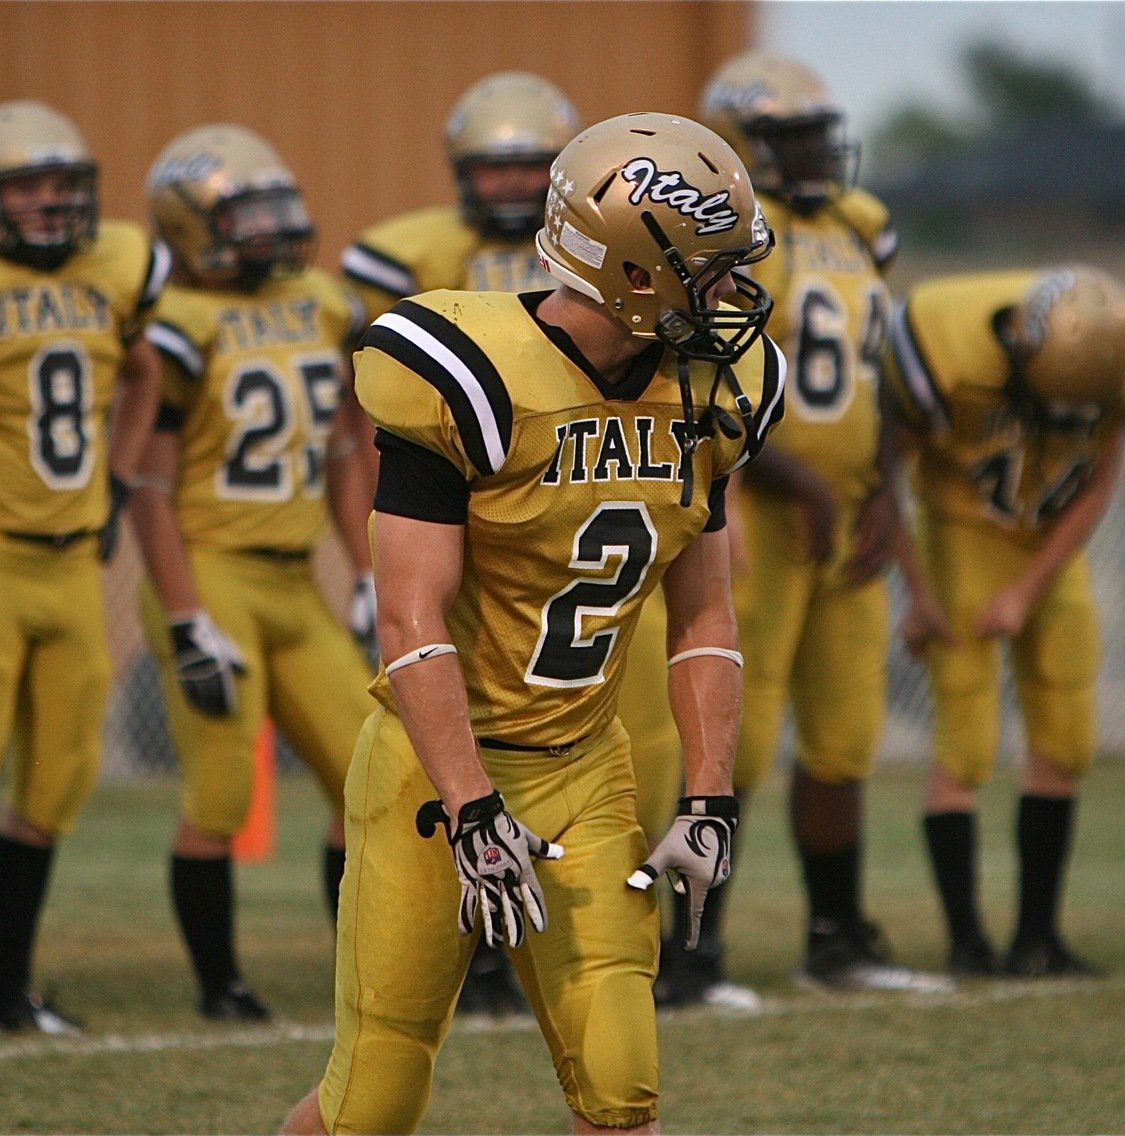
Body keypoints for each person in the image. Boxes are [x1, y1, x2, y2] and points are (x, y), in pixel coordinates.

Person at [281, 111, 785, 1135]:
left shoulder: (709, 390)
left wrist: (709, 794)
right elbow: (411, 617)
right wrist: (472, 809)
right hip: (435, 770)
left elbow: (706, 612)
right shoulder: (467, 371)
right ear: (638, 276)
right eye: (712, 270)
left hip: (583, 766)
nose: (734, 297)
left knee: (621, 1081)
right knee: (374, 1093)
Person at [689, 52, 950, 995]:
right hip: (755, 514)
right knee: (734, 744)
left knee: (843, 738)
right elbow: (705, 383)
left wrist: (883, 490)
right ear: (743, 145)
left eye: (817, 134)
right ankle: (694, 952)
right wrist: (794, 479)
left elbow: (872, 379)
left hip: (844, 518)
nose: (814, 152)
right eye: (792, 137)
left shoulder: (861, 223)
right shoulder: (727, 236)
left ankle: (837, 938)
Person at [341, 70, 580, 1016]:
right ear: (459, 170)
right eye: (496, 164)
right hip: (452, 529)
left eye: (533, 163)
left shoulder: (599, 265)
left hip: (560, 538)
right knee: (434, 739)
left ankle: (551, 938)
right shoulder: (409, 257)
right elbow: (368, 430)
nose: (515, 183)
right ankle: (454, 948)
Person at [131, 124, 376, 1021]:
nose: (269, 228)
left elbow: (350, 442)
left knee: (373, 775)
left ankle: (368, 973)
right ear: (188, 229)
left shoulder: (320, 299)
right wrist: (188, 613)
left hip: (292, 578)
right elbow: (149, 487)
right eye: (244, 213)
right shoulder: (178, 327)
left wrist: (368, 569)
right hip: (211, 572)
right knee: (224, 789)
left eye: (275, 207)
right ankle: (220, 986)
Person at [884, 265, 1125, 977]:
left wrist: (1031, 586)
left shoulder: (1124, 361)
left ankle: (1037, 939)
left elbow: (1102, 477)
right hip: (964, 535)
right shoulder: (943, 342)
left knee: (1066, 735)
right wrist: (918, 593)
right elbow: (881, 478)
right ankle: (967, 943)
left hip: (1050, 544)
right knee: (967, 744)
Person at [0, 100, 167, 1034]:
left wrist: (121, 483)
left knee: (56, 779)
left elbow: (144, 375)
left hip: (72, 566)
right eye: (27, 187)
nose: (50, 204)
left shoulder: (117, 267)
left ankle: (6, 990)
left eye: (62, 185)